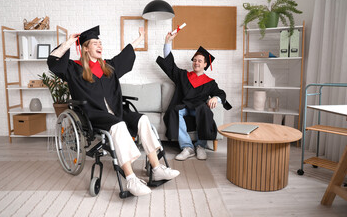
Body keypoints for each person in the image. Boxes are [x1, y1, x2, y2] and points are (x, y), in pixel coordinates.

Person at [48, 26, 179, 197]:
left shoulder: (108, 66)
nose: (100, 46)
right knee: (118, 125)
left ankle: (157, 168)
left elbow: (126, 55)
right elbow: (53, 63)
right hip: (94, 115)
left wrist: (140, 37)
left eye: (100, 43)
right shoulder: (73, 68)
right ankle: (131, 178)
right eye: (95, 43)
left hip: (116, 112)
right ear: (85, 48)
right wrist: (68, 43)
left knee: (142, 120)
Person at [156, 32, 232, 161]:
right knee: (174, 111)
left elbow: (220, 93)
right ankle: (187, 148)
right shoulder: (183, 75)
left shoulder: (210, 82)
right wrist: (167, 42)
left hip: (198, 108)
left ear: (205, 65)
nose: (196, 62)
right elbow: (170, 66)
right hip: (184, 106)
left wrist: (215, 98)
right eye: (195, 60)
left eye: (200, 61)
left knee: (205, 110)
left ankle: (200, 146)